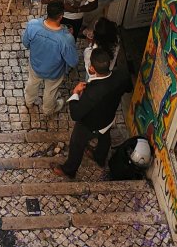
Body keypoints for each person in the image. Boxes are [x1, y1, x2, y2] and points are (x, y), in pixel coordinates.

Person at [51, 48, 131, 179]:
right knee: (105, 136)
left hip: (89, 125)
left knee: (77, 144)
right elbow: (128, 88)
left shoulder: (91, 92)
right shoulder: (121, 75)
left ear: (92, 68)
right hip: (109, 117)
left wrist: (75, 93)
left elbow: (75, 114)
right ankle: (99, 157)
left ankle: (69, 170)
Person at [21, 0, 78, 115]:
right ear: (61, 16)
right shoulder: (66, 39)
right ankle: (47, 109)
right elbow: (73, 61)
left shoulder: (33, 25)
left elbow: (26, 43)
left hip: (35, 66)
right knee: (50, 91)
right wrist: (70, 37)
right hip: (54, 72)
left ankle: (28, 101)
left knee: (32, 82)